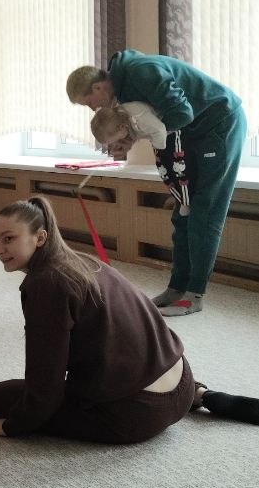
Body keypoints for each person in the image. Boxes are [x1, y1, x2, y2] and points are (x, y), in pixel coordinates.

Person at [0, 196, 197, 443]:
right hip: (184, 386)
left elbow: (46, 374)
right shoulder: (82, 261)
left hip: (139, 413)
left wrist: (14, 425)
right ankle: (202, 395)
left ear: (40, 238)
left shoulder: (46, 284)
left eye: (9, 239)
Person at [67, 53, 247, 316]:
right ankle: (176, 288)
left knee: (204, 212)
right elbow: (163, 120)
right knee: (182, 211)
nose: (92, 109)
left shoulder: (142, 72)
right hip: (194, 132)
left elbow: (182, 113)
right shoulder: (123, 90)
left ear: (97, 88)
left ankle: (194, 296)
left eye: (88, 103)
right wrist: (131, 139)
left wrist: (139, 135)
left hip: (220, 124)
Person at [90, 102, 193, 215]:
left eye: (115, 140)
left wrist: (159, 150)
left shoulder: (138, 119)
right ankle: (182, 200)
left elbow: (159, 130)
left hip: (173, 132)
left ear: (121, 128)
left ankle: (186, 201)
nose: (116, 143)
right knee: (164, 172)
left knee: (179, 170)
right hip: (162, 139)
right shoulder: (123, 121)